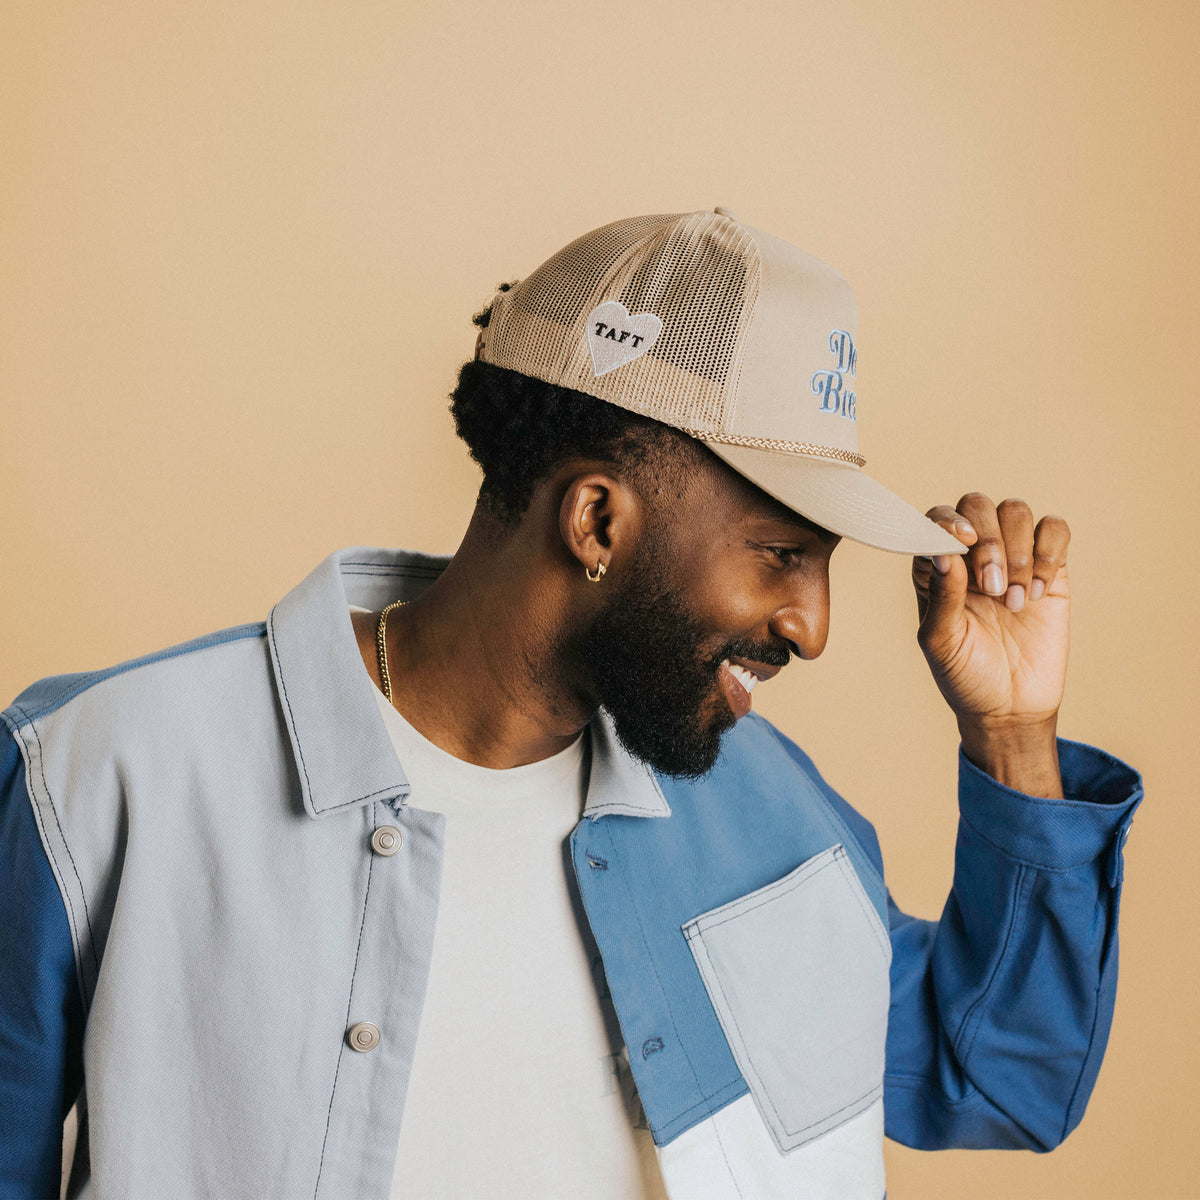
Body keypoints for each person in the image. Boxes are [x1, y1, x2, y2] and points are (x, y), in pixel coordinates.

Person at [0, 208, 1142, 1200]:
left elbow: (999, 1078)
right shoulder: (101, 774)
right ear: (597, 521)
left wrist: (1011, 734)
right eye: (781, 554)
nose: (814, 626)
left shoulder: (766, 813)